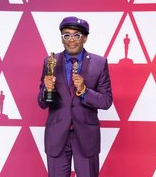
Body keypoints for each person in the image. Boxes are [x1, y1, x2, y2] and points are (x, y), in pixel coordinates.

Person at [38, 16, 113, 177]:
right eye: (66, 35)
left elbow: (106, 101)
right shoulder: (50, 61)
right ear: (62, 38)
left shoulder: (99, 63)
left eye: (76, 35)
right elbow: (42, 103)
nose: (71, 40)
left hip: (86, 136)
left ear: (85, 38)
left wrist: (85, 90)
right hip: (57, 135)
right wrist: (46, 89)